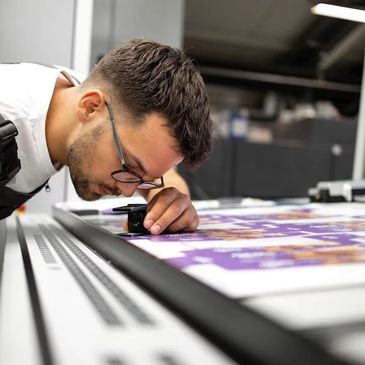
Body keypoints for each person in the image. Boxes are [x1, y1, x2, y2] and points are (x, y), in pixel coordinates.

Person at [0, 39, 212, 234]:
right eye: (128, 165)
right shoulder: (8, 116)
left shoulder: (93, 96)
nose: (128, 192)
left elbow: (159, 173)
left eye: (142, 179)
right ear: (90, 107)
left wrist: (170, 202)